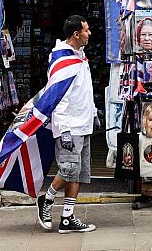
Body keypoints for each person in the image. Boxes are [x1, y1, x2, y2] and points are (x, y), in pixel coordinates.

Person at [36, 15, 96, 233]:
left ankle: (68, 218)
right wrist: (66, 130)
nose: (90, 34)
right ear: (75, 34)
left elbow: (82, 91)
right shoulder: (63, 61)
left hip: (84, 122)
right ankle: (47, 199)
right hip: (69, 125)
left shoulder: (80, 57)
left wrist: (94, 113)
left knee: (78, 173)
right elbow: (58, 97)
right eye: (86, 30)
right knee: (69, 169)